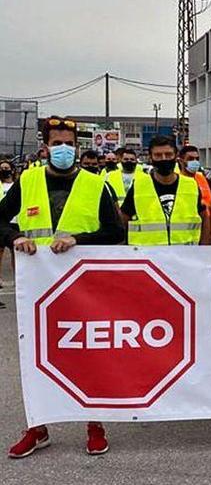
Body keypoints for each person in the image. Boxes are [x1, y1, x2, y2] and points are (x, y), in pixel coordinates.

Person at [4, 116, 124, 458]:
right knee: (36, 357)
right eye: (57, 144)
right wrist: (15, 236)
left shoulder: (93, 183)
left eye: (69, 144)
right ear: (45, 148)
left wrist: (79, 239)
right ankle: (37, 427)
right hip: (39, 288)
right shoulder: (27, 181)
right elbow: (0, 219)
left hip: (85, 289)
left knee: (89, 356)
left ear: (78, 147)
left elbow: (115, 232)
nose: (63, 149)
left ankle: (94, 423)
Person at [119, 136, 211, 246]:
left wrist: (204, 248)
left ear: (176, 156)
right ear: (150, 158)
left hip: (185, 256)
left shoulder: (191, 185)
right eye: (158, 155)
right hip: (148, 256)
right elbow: (123, 220)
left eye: (168, 155)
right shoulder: (139, 186)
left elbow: (204, 216)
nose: (164, 159)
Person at [178, 145, 211, 238]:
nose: (194, 162)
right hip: (187, 232)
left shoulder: (201, 178)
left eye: (197, 159)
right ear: (181, 161)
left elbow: (210, 205)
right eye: (190, 159)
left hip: (205, 229)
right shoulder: (178, 180)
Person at [0, 159, 17, 292]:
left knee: (15, 253)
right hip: (2, 223)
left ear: (12, 170)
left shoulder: (17, 185)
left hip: (16, 223)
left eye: (6, 168)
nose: (4, 170)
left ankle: (18, 277)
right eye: (2, 168)